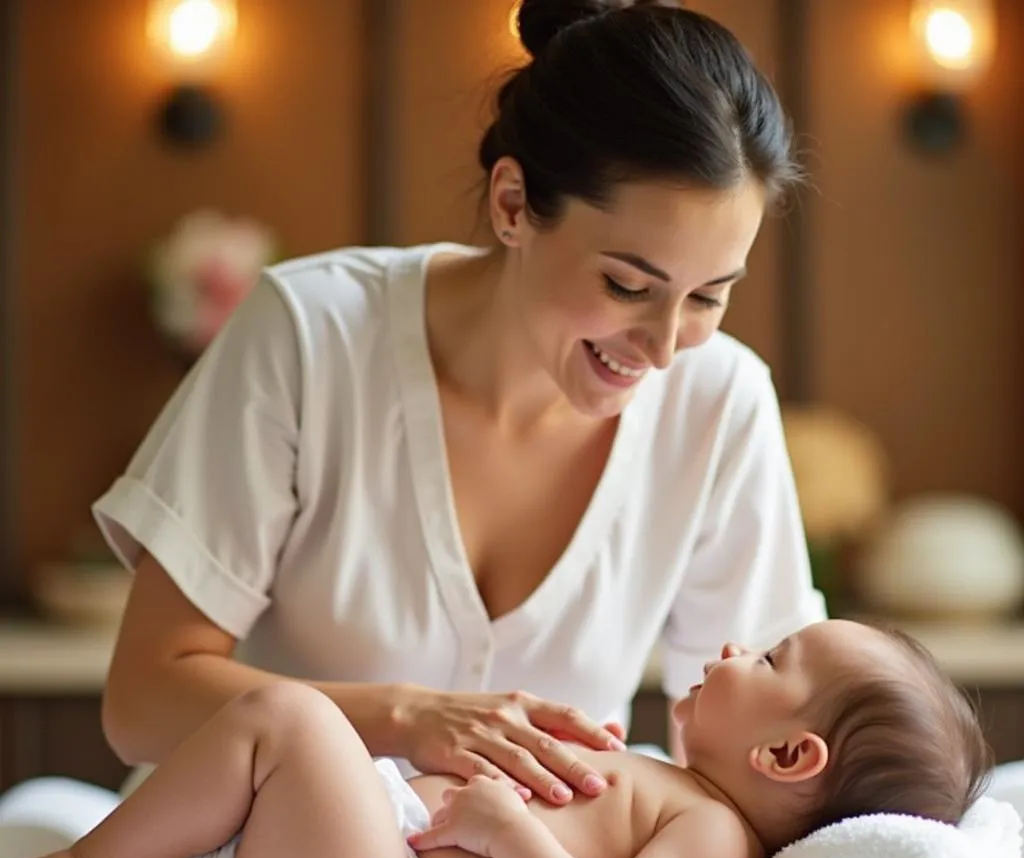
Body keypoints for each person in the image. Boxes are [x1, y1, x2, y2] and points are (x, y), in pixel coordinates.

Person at [92, 0, 826, 805]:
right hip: (248, 856)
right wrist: (405, 719)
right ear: (513, 205)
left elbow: (762, 756)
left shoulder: (722, 402)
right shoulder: (311, 335)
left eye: (709, 297)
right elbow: (144, 703)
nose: (663, 347)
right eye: (627, 286)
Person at [0, 620, 991, 858]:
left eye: (769, 655)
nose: (734, 648)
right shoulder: (670, 779)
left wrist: (511, 827)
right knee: (273, 733)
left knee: (290, 716)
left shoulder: (714, 834)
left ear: (786, 757)